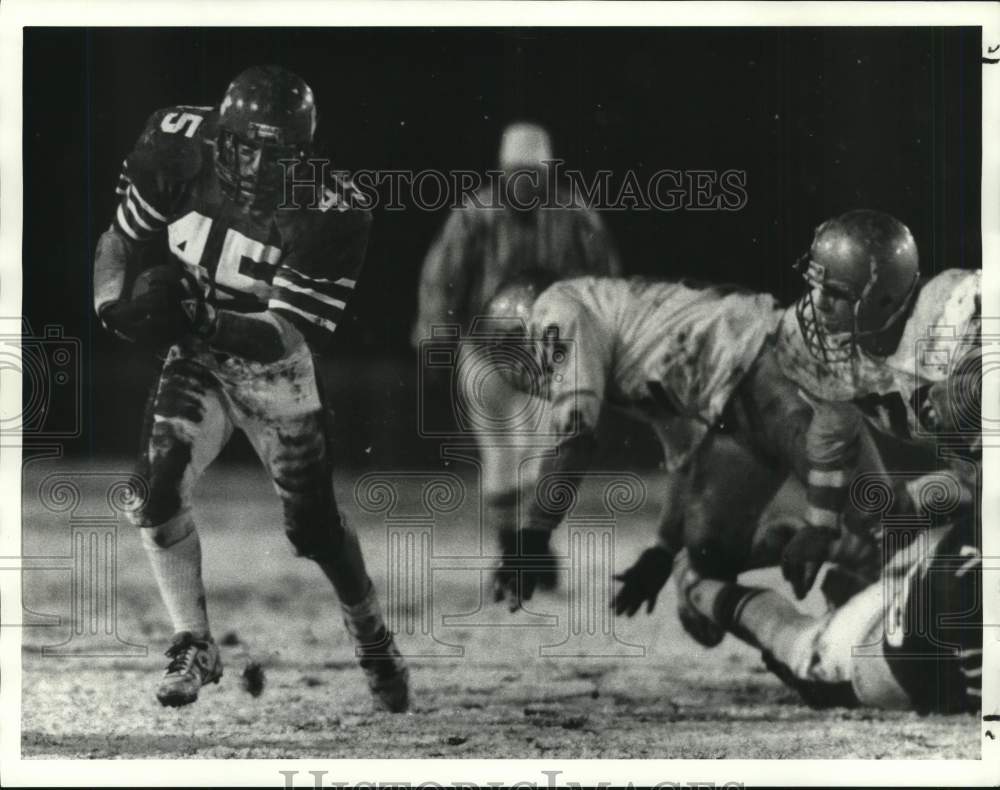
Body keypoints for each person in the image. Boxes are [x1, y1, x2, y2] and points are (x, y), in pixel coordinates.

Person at [92, 65, 409, 710]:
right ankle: (194, 641)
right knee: (154, 492)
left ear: (304, 153)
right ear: (220, 135)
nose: (260, 163)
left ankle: (371, 633)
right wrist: (108, 306)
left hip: (273, 368)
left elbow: (287, 334)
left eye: (278, 151)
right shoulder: (174, 146)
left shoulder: (331, 208)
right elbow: (119, 241)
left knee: (313, 530)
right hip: (198, 356)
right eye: (247, 144)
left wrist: (204, 318)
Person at [482, 271, 871, 645]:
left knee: (865, 511)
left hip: (764, 362)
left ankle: (886, 614)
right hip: (733, 406)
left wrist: (533, 535)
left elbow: (576, 438)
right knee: (706, 552)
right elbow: (687, 456)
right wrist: (663, 550)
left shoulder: (555, 310)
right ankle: (801, 547)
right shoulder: (635, 350)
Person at [411, 123, 621, 547]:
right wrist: (436, 337)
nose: (525, 186)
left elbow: (441, 279)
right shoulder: (564, 214)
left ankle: (522, 547)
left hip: (544, 351)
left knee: (529, 453)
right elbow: (441, 280)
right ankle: (521, 547)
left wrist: (433, 339)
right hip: (493, 349)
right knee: (517, 452)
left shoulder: (562, 214)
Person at [772, 209, 981, 600]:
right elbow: (835, 426)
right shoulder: (833, 348)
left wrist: (975, 380)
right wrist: (821, 523)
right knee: (889, 523)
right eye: (815, 287)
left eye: (834, 293)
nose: (817, 304)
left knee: (954, 579)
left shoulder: (956, 318)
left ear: (884, 298)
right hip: (975, 479)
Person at [679, 503, 982, 713]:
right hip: (864, 645)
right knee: (790, 638)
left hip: (907, 588)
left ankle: (843, 549)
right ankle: (695, 584)